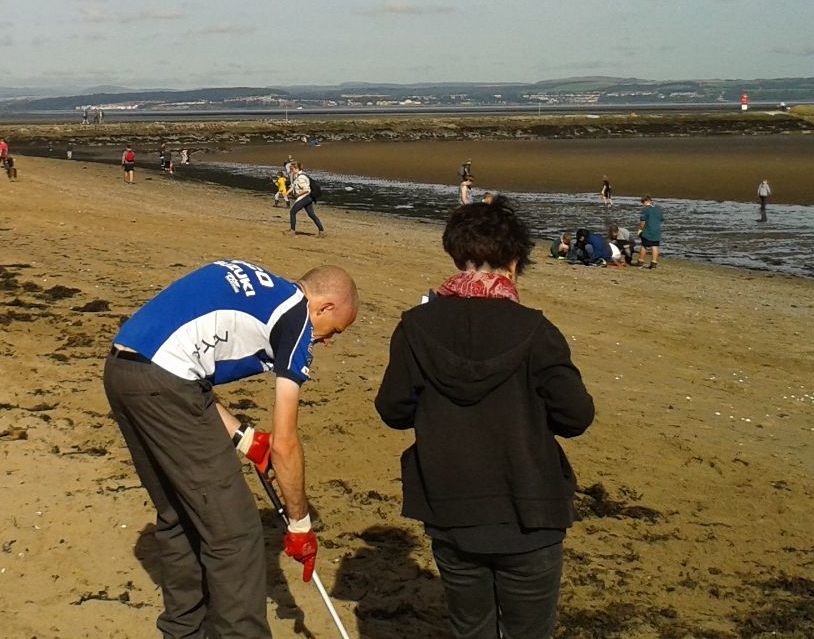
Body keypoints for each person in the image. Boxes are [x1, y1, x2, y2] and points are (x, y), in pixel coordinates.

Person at [105, 260, 360, 639]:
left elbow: (194, 380)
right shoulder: (295, 319)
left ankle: (183, 632)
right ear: (324, 307)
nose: (326, 341)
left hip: (122, 369)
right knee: (236, 536)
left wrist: (246, 439)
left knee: (179, 516)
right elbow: (286, 441)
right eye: (333, 330)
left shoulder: (265, 287)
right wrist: (299, 524)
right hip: (163, 382)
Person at [375, 199, 593, 639]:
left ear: (457, 256)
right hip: (528, 512)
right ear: (514, 263)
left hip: (454, 510)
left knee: (470, 629)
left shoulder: (417, 327)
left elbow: (394, 408)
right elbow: (575, 415)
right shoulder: (535, 330)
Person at [288, 162, 324, 237]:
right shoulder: (299, 176)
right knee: (311, 214)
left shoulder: (301, 177)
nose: (291, 170)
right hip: (309, 197)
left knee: (292, 212)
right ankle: (322, 231)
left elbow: (306, 190)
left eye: (292, 169)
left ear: (297, 168)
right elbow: (294, 186)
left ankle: (292, 231)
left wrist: (298, 195)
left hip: (306, 197)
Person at [636, 196, 664, 270]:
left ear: (645, 202)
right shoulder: (658, 209)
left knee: (644, 245)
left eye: (643, 203)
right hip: (657, 231)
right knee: (654, 246)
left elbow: (642, 222)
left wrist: (640, 230)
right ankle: (654, 263)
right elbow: (661, 219)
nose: (643, 205)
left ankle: (640, 262)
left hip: (648, 230)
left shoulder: (645, 209)